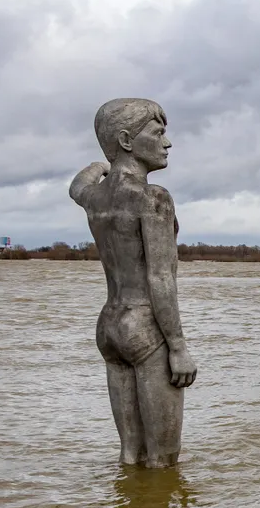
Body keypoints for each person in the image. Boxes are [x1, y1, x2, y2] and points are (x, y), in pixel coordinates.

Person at [70, 98, 197, 468]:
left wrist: (100, 165)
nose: (167, 143)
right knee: (163, 459)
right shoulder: (152, 197)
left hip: (110, 326)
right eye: (158, 133)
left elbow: (77, 186)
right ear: (127, 141)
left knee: (129, 454)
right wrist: (177, 347)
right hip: (145, 327)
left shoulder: (95, 197)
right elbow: (160, 277)